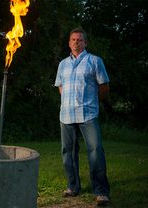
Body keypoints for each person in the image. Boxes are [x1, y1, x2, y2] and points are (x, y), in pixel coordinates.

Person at [54, 27, 111, 206]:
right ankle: (73, 186)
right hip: (66, 115)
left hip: (88, 114)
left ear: (85, 42)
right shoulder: (62, 64)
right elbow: (60, 86)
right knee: (68, 153)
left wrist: (92, 102)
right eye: (73, 40)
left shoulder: (95, 61)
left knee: (95, 150)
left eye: (79, 40)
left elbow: (104, 86)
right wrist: (67, 101)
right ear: (69, 43)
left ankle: (101, 191)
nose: (76, 42)